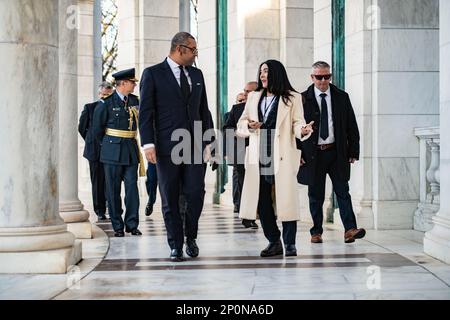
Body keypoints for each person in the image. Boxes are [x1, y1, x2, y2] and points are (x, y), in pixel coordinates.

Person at [139, 32, 214, 262]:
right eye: (193, 50)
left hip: (193, 146)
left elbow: (204, 110)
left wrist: (210, 141)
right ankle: (175, 245)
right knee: (170, 196)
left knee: (195, 194)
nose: (195, 54)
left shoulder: (197, 74)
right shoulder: (152, 74)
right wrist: (148, 144)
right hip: (165, 147)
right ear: (180, 48)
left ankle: (190, 235)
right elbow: (146, 112)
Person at [237, 60, 314, 257]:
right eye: (261, 71)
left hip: (282, 155)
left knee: (286, 200)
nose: (263, 75)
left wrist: (303, 130)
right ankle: (273, 241)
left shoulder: (292, 98)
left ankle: (290, 244)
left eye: (266, 71)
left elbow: (297, 124)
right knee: (261, 200)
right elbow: (240, 124)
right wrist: (249, 126)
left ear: (276, 74)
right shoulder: (253, 97)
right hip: (258, 156)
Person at [297, 61, 366, 244]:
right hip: (314, 154)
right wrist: (298, 154)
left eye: (326, 76)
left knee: (343, 191)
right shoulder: (302, 99)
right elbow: (294, 129)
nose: (323, 80)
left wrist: (354, 151)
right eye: (319, 77)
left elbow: (352, 126)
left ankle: (350, 229)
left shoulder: (341, 97)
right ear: (312, 78)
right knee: (315, 194)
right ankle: (316, 231)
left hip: (336, 153)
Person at [92, 68, 145, 237]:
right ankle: (117, 226)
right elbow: (97, 131)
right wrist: (109, 146)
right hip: (112, 153)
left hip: (130, 151)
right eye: (132, 82)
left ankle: (132, 224)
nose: (134, 85)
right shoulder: (106, 103)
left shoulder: (135, 101)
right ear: (122, 84)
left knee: (132, 189)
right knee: (113, 190)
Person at [223, 82, 259, 229]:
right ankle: (246, 216)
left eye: (249, 92)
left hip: (262, 151)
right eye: (244, 91)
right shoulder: (237, 109)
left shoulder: (265, 107)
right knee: (243, 184)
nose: (245, 95)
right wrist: (243, 129)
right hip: (242, 153)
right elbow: (227, 128)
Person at [78, 82, 113, 222]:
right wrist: (91, 140)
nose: (105, 97)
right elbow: (81, 127)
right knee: (97, 181)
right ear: (99, 94)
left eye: (108, 95)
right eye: (103, 94)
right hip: (94, 151)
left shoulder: (114, 108)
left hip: (112, 150)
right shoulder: (90, 107)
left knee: (111, 180)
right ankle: (99, 210)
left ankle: (113, 207)